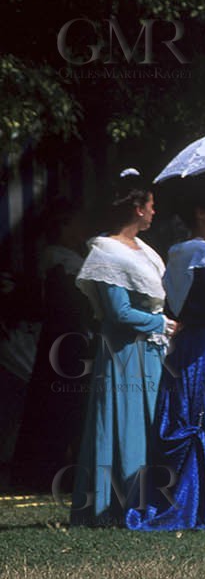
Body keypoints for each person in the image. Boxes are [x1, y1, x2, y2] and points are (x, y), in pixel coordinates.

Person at [129, 179, 205, 531]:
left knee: (190, 410)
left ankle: (192, 494)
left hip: (189, 341)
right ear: (200, 214)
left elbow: (198, 303)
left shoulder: (180, 251)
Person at [69, 170, 172, 526]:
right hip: (125, 351)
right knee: (125, 420)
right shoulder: (107, 253)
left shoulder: (143, 250)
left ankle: (149, 498)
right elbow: (117, 312)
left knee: (151, 418)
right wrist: (161, 323)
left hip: (152, 349)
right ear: (137, 209)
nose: (154, 213)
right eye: (151, 206)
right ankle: (116, 502)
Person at [12, 203, 93, 492]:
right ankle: (48, 469)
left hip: (72, 336)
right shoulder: (58, 258)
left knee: (71, 402)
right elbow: (68, 303)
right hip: (65, 338)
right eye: (76, 224)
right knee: (59, 402)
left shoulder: (74, 256)